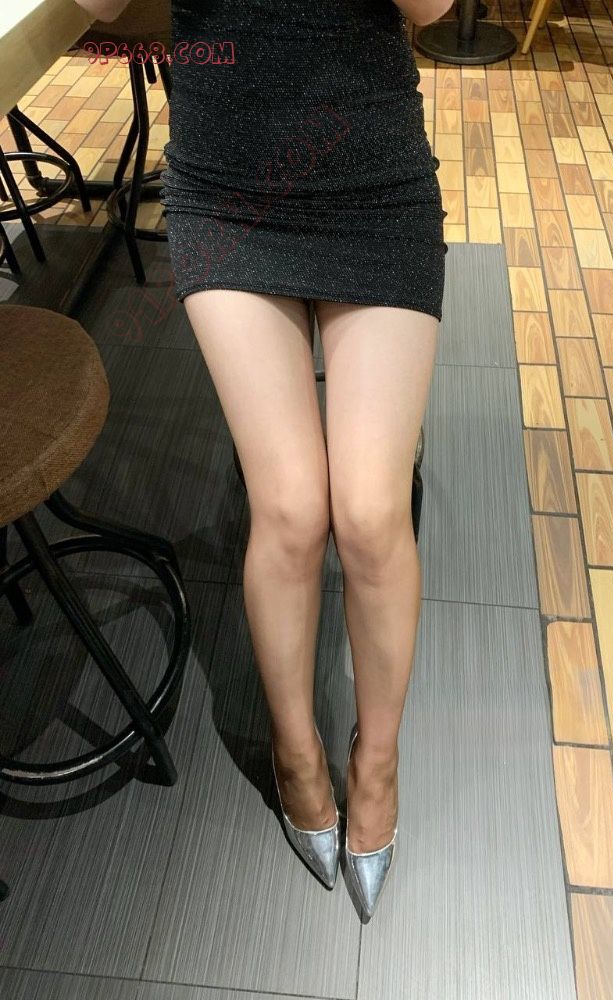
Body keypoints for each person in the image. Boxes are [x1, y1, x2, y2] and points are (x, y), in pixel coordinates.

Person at [73, 0, 452, 920]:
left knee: (370, 512)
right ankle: (295, 753)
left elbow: (436, 8)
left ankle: (377, 762)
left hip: (377, 182)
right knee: (288, 509)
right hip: (227, 191)